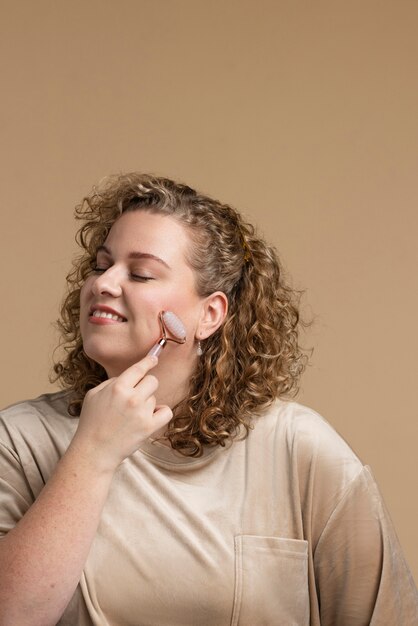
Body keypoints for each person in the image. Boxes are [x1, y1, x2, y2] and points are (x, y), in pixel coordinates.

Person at [0, 173, 417, 626]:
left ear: (209, 315)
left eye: (140, 273)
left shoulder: (300, 450)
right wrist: (92, 454)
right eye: (101, 265)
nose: (103, 283)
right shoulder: (19, 441)